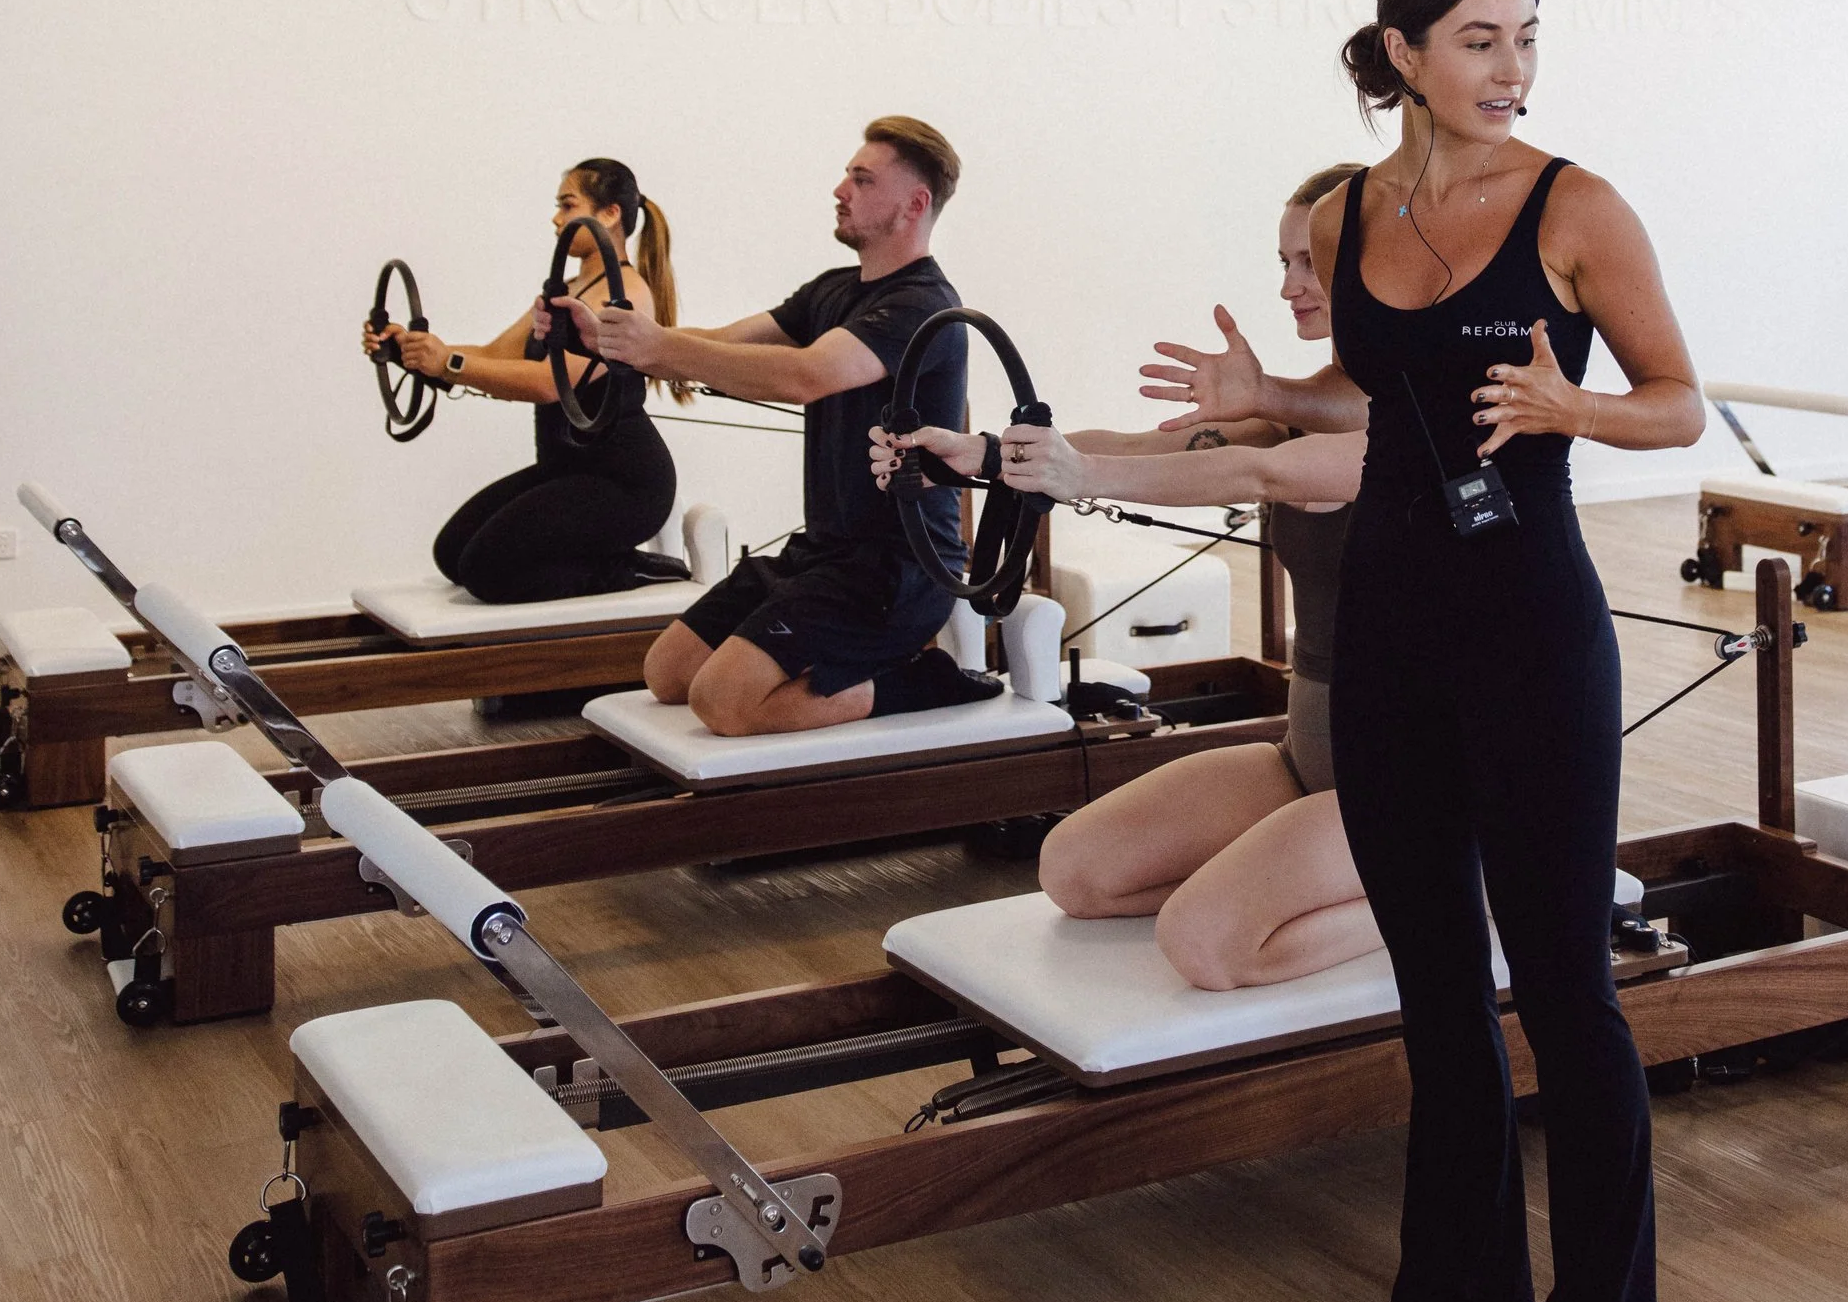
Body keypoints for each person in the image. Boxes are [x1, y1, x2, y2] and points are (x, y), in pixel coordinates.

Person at [1145, 0, 1702, 1302]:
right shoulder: (1349, 207)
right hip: (1389, 626)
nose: (1510, 70)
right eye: (1477, 40)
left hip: (1531, 630)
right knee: (1436, 982)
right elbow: (1371, 396)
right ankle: (1463, 1288)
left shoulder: (1578, 207)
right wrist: (1267, 394)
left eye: (1525, 37)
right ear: (1402, 53)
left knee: (1566, 992)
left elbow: (1679, 403)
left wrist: (1567, 402)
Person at [882, 165, 1375, 990]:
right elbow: (1151, 446)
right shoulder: (1300, 403)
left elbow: (1261, 474)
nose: (1289, 286)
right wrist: (988, 459)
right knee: (1077, 870)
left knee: (1207, 945)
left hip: (1409, 783)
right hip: (1309, 755)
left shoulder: (1416, 412)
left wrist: (1081, 478)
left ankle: (1466, 886)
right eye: (1283, 262)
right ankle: (1319, 873)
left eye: (1310, 263)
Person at [570, 117, 980, 737]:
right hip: (822, 554)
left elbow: (805, 376)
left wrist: (659, 348)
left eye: (862, 179)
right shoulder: (833, 291)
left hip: (895, 571)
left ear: (914, 204)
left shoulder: (925, 306)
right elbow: (716, 343)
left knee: (723, 703)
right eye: (847, 175)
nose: (840, 189)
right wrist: (608, 340)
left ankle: (918, 681)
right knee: (669, 673)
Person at [364, 158, 686, 601]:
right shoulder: (564, 291)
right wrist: (412, 352)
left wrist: (448, 365)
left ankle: (624, 568)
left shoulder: (627, 293)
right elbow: (495, 356)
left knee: (486, 572)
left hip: (625, 484)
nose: (556, 219)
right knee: (453, 554)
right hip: (566, 471)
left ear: (610, 213)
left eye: (567, 206)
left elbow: (549, 384)